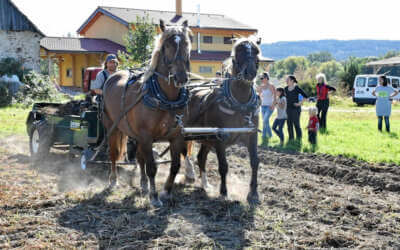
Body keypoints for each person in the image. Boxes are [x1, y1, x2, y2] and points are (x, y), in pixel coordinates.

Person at [284, 75, 309, 141]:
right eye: (286, 80)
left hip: (296, 109)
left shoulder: (297, 88)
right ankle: (291, 138)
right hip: (288, 109)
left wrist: (299, 104)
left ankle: (299, 138)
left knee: (296, 124)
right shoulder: (285, 89)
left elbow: (306, 96)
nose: (286, 81)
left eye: (287, 80)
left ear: (292, 81)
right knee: (289, 124)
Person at [257, 72, 276, 146]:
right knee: (265, 121)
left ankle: (267, 135)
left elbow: (275, 96)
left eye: (262, 78)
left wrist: (273, 105)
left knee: (265, 120)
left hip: (269, 106)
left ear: (266, 78)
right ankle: (267, 135)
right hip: (263, 106)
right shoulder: (261, 86)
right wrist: (258, 91)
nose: (261, 79)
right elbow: (259, 96)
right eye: (260, 78)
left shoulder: (271, 86)